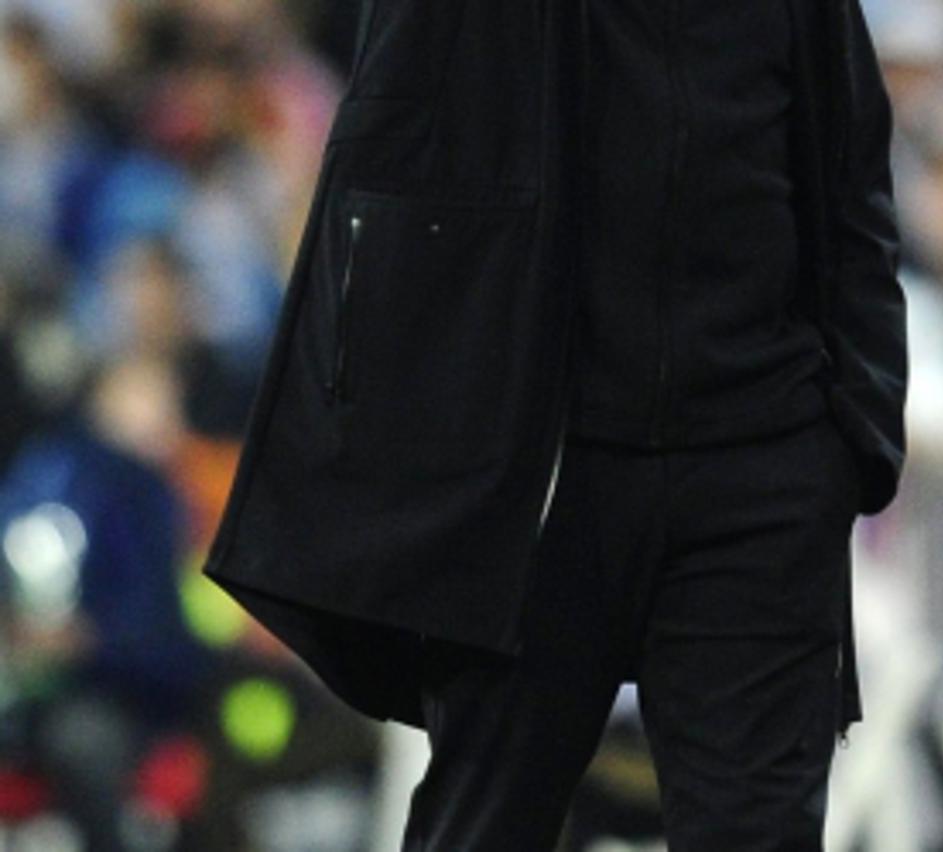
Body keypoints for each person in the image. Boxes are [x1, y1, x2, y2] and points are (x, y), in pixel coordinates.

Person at [198, 0, 907, 848]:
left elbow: (850, 167)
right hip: (536, 479)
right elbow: (386, 171)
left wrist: (847, 440)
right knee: (487, 823)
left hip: (760, 464)